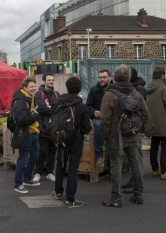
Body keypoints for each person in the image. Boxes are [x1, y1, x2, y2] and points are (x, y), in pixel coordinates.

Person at [100, 65, 150, 207]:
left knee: (116, 164)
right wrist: (137, 128)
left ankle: (116, 197)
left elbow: (104, 118)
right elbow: (146, 115)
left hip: (115, 136)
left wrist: (106, 134)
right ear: (129, 77)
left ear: (114, 78)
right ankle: (138, 194)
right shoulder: (136, 93)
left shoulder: (110, 95)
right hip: (133, 134)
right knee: (136, 163)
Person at [51, 76, 92, 208]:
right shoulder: (81, 106)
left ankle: (58, 192)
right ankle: (70, 199)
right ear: (79, 89)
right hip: (76, 141)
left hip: (61, 139)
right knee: (73, 170)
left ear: (67, 88)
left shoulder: (59, 102)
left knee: (60, 167)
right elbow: (86, 128)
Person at [145, 67, 166, 181]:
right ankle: (165, 171)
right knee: (165, 147)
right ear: (161, 76)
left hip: (152, 121)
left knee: (154, 146)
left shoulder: (148, 88)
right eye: (165, 74)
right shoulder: (164, 88)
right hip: (163, 121)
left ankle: (155, 169)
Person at [11, 75, 41, 194]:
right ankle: (18, 184)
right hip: (25, 134)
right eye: (31, 86)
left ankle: (27, 178)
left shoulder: (31, 97)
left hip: (33, 132)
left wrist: (36, 127)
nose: (34, 88)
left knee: (35, 156)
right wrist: (35, 116)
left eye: (35, 86)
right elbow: (22, 120)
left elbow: (32, 114)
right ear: (24, 87)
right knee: (22, 159)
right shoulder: (21, 101)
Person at [33, 73, 60, 182]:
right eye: (49, 80)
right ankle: (38, 172)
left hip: (54, 128)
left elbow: (59, 108)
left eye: (52, 80)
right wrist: (52, 109)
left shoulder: (57, 94)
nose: (51, 81)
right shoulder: (39, 94)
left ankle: (49, 172)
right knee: (42, 152)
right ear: (44, 81)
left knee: (52, 152)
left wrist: (49, 108)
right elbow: (40, 108)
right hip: (43, 127)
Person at [86, 69, 111, 168]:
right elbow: (88, 106)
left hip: (111, 117)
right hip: (98, 118)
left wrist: (105, 113)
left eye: (104, 77)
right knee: (97, 125)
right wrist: (93, 112)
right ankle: (99, 155)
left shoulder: (114, 90)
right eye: (100, 77)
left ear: (109, 78)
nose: (102, 79)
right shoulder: (94, 90)